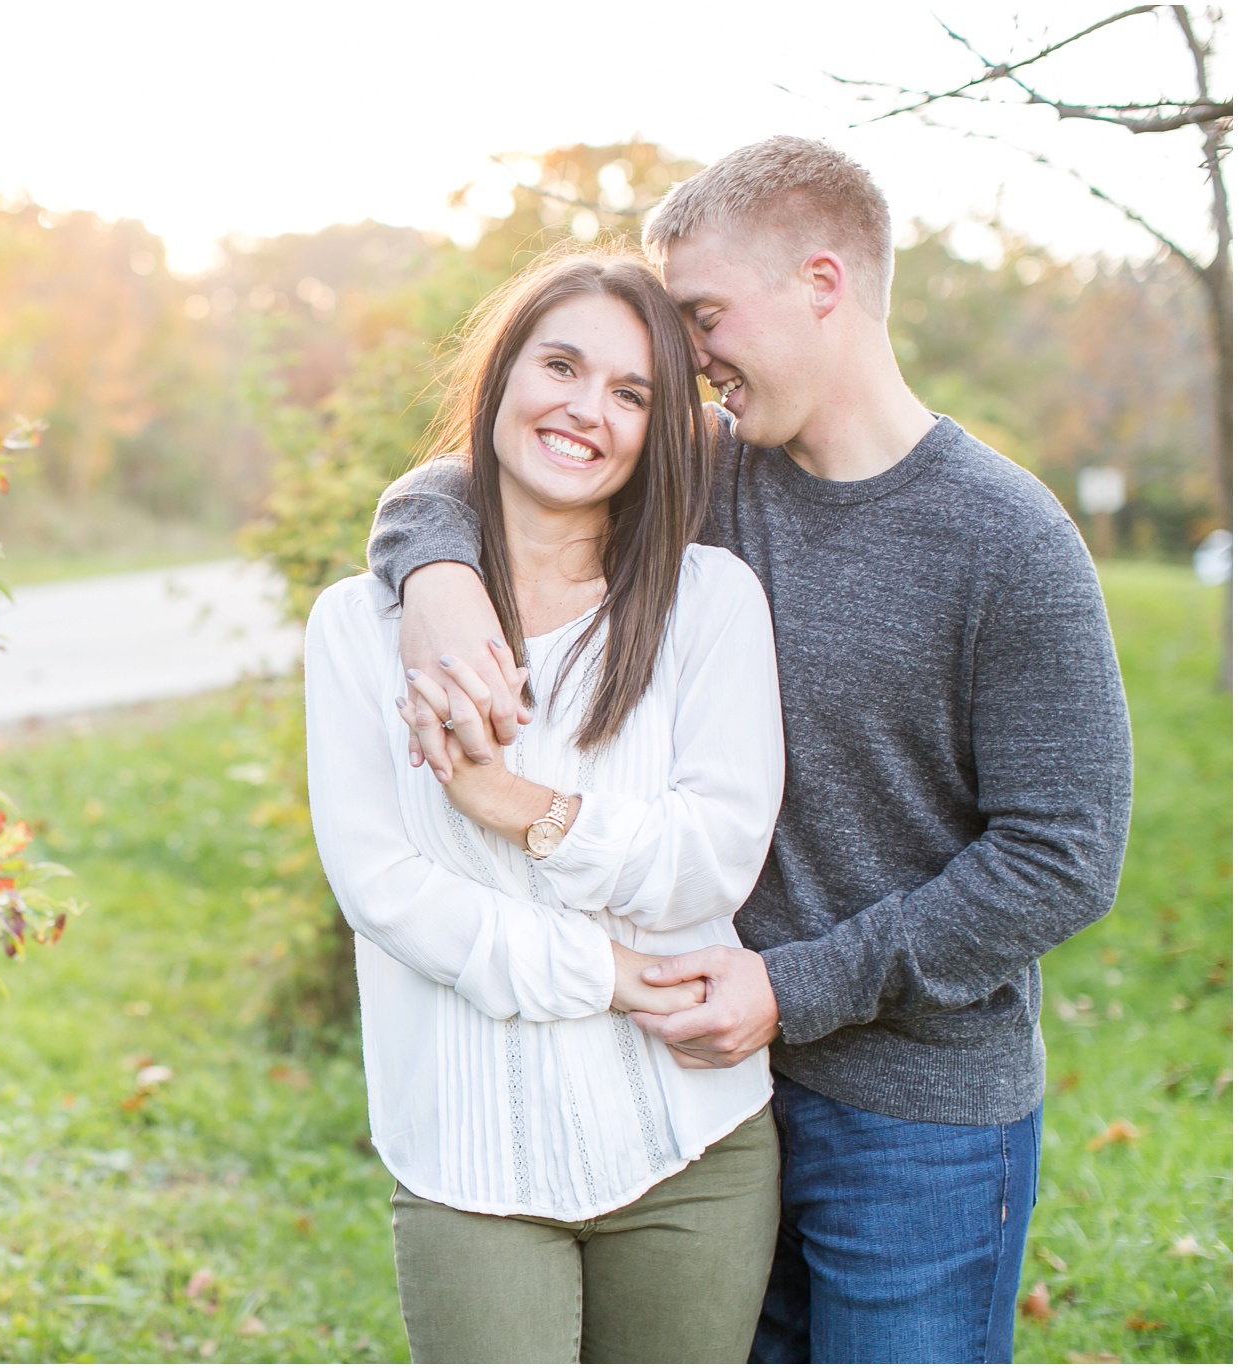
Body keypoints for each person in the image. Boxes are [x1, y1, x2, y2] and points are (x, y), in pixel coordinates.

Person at [366, 136, 1133, 1363]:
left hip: (915, 1118)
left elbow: (1063, 857)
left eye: (703, 316)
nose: (687, 361)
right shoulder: (706, 479)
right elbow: (486, 465)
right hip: (707, 1101)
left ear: (821, 284)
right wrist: (435, 573)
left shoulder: (1007, 542)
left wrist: (792, 990)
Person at [306, 249, 788, 1363]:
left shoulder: (707, 602)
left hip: (693, 1146)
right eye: (560, 365)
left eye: (630, 393)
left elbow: (712, 858)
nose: (586, 409)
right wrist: (607, 974)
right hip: (468, 1161)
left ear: (661, 430)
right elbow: (383, 889)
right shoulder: (356, 627)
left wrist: (517, 803)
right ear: (499, 377)